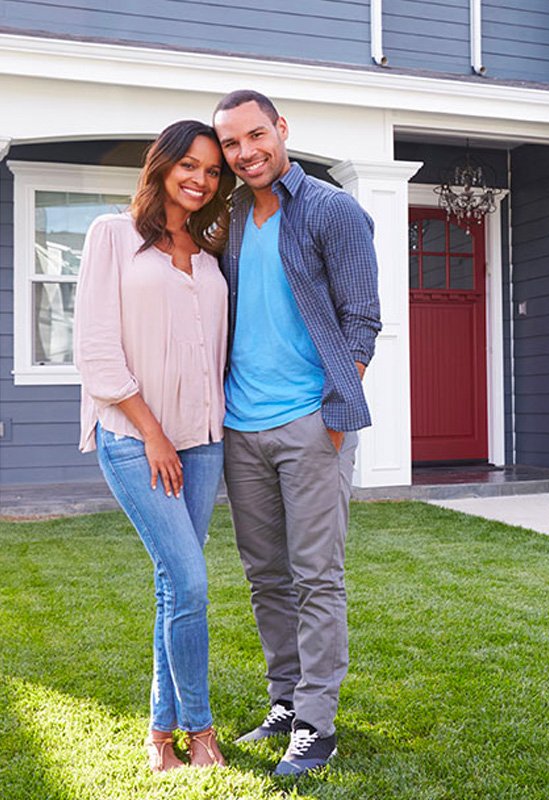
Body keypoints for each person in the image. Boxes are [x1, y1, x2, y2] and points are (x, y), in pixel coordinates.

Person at [211, 89, 381, 777]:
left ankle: (316, 722)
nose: (246, 152)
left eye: (256, 135)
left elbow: (362, 319)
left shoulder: (332, 210)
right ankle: (284, 700)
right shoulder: (228, 218)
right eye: (231, 143)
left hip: (310, 424)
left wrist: (335, 412)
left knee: (316, 577)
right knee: (265, 577)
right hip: (240, 426)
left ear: (281, 130)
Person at [75, 120, 235, 772]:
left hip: (203, 443)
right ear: (163, 165)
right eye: (189, 165)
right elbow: (96, 351)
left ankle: (157, 737)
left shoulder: (208, 253)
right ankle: (200, 733)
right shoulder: (112, 236)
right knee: (191, 583)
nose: (200, 179)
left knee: (176, 587)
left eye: (212, 170)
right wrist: (152, 433)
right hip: (136, 441)